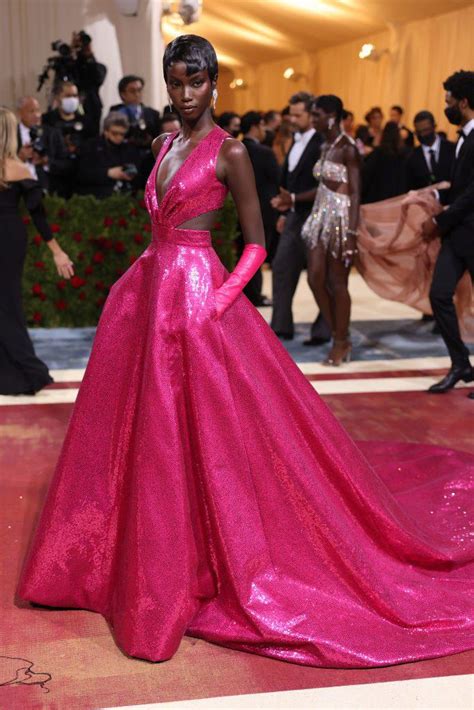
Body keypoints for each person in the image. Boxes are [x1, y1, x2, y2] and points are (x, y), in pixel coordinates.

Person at [17, 36, 473, 669]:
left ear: (214, 84)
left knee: (208, 437)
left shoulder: (229, 152)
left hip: (200, 299)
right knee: (140, 433)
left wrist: (217, 301)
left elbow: (255, 245)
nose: (182, 94)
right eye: (175, 82)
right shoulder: (160, 146)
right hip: (149, 296)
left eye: (194, 82)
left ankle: (200, 563)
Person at [274, 96, 361, 365]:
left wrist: (351, 234)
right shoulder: (325, 145)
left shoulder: (348, 147)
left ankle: (340, 340)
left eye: (317, 115)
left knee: (337, 282)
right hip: (318, 217)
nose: (313, 120)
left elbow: (356, 193)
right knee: (315, 278)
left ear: (332, 116)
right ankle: (338, 333)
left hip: (340, 218)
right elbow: (322, 187)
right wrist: (294, 199)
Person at [0, 108, 73, 395]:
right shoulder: (17, 168)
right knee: (8, 302)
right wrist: (56, 251)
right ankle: (22, 372)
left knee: (5, 303)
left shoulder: (16, 169)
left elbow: (36, 213)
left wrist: (57, 251)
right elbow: (37, 213)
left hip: (6, 238)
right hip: (9, 236)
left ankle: (26, 371)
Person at [421, 70, 474, 394]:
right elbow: (461, 187)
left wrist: (441, 221)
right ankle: (461, 364)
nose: (446, 106)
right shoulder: (462, 138)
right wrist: (434, 196)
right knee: (439, 295)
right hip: (457, 235)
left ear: (464, 102)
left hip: (465, 230)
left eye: (449, 101)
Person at [270, 91, 330, 344]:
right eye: (291, 114)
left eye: (298, 114)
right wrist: (286, 211)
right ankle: (281, 327)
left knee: (320, 277)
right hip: (294, 217)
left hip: (318, 217)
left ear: (311, 114)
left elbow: (328, 185)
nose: (293, 119)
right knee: (282, 269)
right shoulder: (295, 140)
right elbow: (289, 181)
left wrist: (292, 201)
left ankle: (325, 329)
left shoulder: (323, 142)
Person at [241, 110, 280, 301]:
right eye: (263, 126)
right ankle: (254, 295)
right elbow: (277, 179)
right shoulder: (264, 152)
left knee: (243, 252)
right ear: (255, 127)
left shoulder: (235, 149)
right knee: (256, 253)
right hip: (263, 210)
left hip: (239, 210)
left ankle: (247, 294)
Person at [77, 112, 141, 198]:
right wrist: (108, 173)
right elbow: (82, 174)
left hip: (124, 195)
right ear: (105, 131)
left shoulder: (129, 148)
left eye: (122, 134)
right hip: (96, 196)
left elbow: (137, 169)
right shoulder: (90, 146)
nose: (119, 137)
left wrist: (131, 173)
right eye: (114, 133)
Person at [16, 96, 71, 194]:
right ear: (20, 113)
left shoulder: (52, 134)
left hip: (47, 190)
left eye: (38, 111)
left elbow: (67, 164)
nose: (36, 115)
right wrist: (19, 158)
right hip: (17, 189)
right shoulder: (9, 134)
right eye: (31, 111)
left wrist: (46, 162)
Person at [406, 110, 456, 190]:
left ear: (434, 127)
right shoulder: (412, 156)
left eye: (426, 130)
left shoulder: (452, 149)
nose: (422, 135)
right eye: (419, 132)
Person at [111, 75, 161, 152]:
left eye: (139, 90)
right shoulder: (115, 113)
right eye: (132, 91)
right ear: (123, 94)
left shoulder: (153, 114)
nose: (137, 94)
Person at [361, 121, 408, 203]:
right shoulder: (404, 154)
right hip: (398, 198)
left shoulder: (378, 153)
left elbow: (366, 174)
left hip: (378, 198)